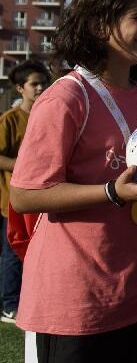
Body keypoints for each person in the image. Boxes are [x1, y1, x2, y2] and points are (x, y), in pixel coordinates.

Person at [9, 0, 137, 362]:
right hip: (78, 297)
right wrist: (111, 192)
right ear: (98, 25)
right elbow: (24, 194)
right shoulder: (66, 99)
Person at [0, 60, 50, 324]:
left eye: (44, 82)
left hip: (45, 200)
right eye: (34, 84)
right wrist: (25, 166)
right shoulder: (10, 120)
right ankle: (9, 304)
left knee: (37, 253)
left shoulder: (50, 114)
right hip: (13, 201)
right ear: (20, 88)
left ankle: (34, 298)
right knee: (12, 254)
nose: (41, 88)